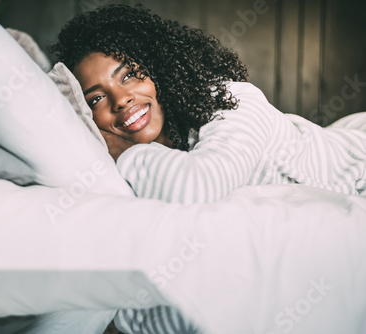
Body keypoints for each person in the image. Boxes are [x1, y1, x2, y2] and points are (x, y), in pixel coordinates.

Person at [50, 4, 366, 333]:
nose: (121, 99)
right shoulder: (159, 151)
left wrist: (120, 149)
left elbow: (198, 187)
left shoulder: (233, 103)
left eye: (129, 75)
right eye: (96, 99)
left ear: (157, 68)